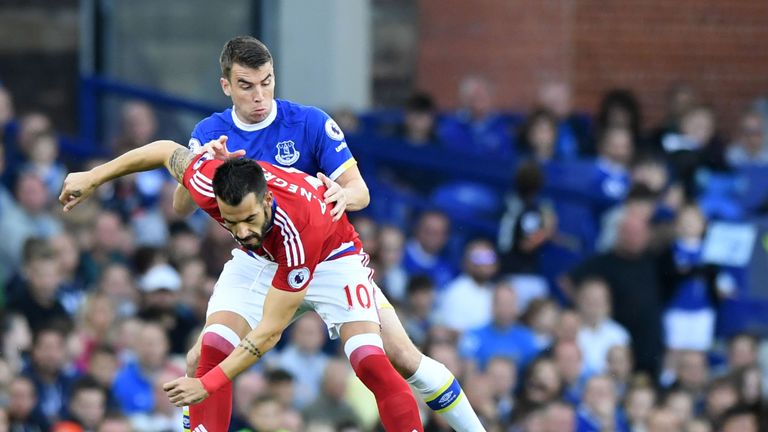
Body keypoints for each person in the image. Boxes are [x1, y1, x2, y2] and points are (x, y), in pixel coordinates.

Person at [153, 35, 482, 430]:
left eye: (267, 82)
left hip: (327, 259)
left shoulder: (308, 122)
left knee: (400, 356)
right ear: (226, 86)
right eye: (246, 86)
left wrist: (341, 194)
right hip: (265, 262)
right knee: (200, 358)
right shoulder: (211, 131)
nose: (259, 95)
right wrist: (206, 164)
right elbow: (182, 206)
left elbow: (360, 191)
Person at [60, 141, 426, 431]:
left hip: (331, 258)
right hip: (259, 259)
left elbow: (268, 333)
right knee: (212, 348)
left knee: (369, 360)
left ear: (267, 199)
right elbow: (162, 150)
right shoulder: (207, 181)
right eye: (231, 221)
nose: (242, 230)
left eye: (250, 217)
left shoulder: (302, 224)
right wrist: (94, 176)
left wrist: (207, 385)